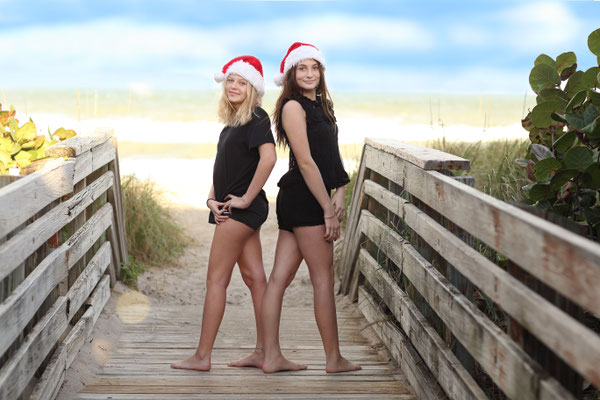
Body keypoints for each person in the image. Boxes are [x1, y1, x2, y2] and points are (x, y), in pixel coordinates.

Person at [171, 55, 277, 371]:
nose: (233, 86)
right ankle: (265, 352)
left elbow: (268, 159)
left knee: (216, 281)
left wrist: (245, 198)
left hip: (240, 212)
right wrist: (210, 199)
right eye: (230, 80)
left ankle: (202, 357)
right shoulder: (233, 123)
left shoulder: (257, 118)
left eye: (241, 82)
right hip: (232, 208)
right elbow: (227, 169)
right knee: (255, 278)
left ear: (253, 88)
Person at [261, 42, 361, 373]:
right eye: (301, 68)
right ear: (292, 73)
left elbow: (328, 154)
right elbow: (304, 162)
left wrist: (342, 188)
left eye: (314, 67)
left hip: (308, 196)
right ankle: (333, 359)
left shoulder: (321, 105)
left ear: (321, 72)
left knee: (279, 278)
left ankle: (270, 356)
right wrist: (327, 210)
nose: (309, 74)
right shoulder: (292, 106)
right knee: (322, 277)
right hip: (305, 198)